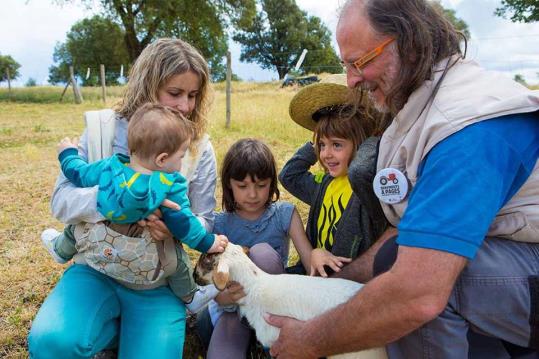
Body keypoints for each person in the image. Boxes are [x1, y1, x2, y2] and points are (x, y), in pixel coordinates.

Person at [266, 1, 539, 358]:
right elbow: (410, 230)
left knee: (421, 284)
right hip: (510, 264)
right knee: (396, 259)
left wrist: (308, 341)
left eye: (359, 62)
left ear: (408, 43)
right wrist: (339, 284)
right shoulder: (421, 108)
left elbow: (417, 292)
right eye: (345, 65)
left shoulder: (465, 128)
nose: (351, 81)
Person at [29, 38, 219, 358]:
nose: (186, 106)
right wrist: (113, 202)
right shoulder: (102, 129)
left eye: (192, 95)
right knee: (51, 343)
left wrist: (174, 227)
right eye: (175, 93)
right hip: (96, 269)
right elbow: (61, 200)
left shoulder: (198, 149)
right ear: (148, 85)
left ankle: (127, 329)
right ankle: (109, 327)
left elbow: (205, 218)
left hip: (155, 284)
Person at [43, 103, 227, 312]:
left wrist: (67, 154)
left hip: (101, 241)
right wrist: (208, 243)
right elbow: (184, 222)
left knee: (75, 228)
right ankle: (190, 297)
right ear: (162, 159)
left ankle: (60, 249)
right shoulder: (167, 184)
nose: (181, 162)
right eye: (181, 156)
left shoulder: (110, 166)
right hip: (145, 258)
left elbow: (79, 173)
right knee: (178, 262)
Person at [196, 138, 314, 359]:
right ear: (229, 184)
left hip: (275, 307)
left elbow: (310, 265)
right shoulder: (218, 225)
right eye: (242, 186)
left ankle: (268, 342)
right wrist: (226, 298)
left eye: (261, 185)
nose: (252, 194)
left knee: (261, 252)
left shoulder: (285, 214)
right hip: (235, 308)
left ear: (272, 183)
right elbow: (212, 286)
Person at [280, 78, 387, 277]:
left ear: (361, 145)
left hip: (345, 283)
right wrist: (320, 135)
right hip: (314, 277)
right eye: (321, 145)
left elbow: (361, 169)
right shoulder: (324, 185)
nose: (326, 154)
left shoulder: (366, 190)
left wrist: (374, 134)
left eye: (337, 145)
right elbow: (289, 175)